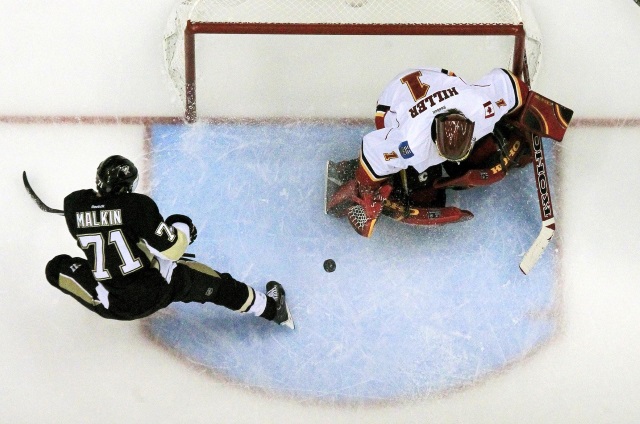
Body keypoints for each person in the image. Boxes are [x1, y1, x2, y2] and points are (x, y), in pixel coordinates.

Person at [45, 155, 294, 329]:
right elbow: (174, 250)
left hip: (113, 303)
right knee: (218, 286)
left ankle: (95, 283)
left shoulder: (73, 204)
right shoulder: (137, 206)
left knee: (56, 267)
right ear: (130, 186)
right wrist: (182, 224)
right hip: (158, 289)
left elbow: (105, 219)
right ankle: (273, 310)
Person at [327, 67, 535, 237]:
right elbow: (374, 151)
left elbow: (512, 86)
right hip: (392, 105)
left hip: (436, 80)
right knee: (424, 198)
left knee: (485, 154)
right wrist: (367, 189)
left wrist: (526, 119)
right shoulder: (411, 143)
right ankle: (365, 176)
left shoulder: (479, 106)